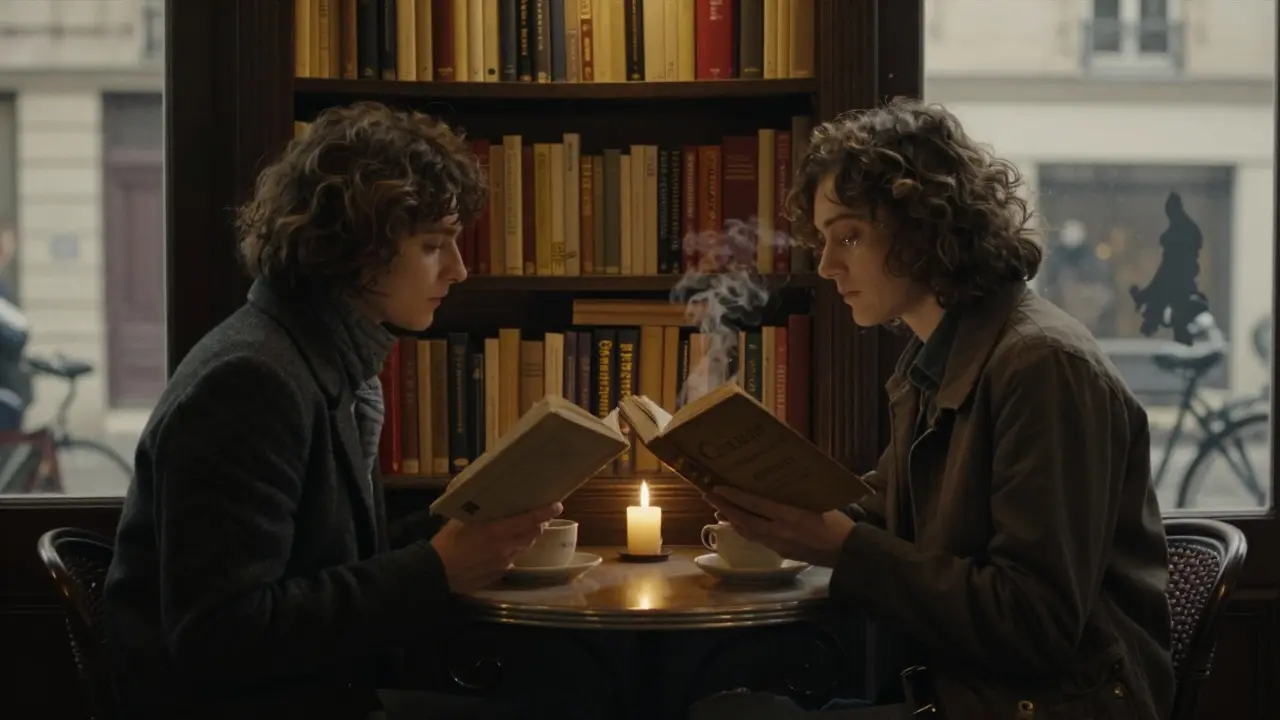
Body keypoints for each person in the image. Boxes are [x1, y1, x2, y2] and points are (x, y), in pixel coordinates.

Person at [692, 99, 1174, 720]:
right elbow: (892, 509)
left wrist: (844, 547)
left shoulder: (1043, 366)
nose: (828, 266)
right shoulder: (935, 356)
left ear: (924, 227)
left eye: (850, 236)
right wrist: (779, 502)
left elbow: (1036, 622)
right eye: (823, 240)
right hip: (966, 693)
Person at [103, 101, 560, 719]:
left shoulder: (324, 356)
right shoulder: (252, 379)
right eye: (433, 245)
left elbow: (326, 559)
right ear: (355, 248)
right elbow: (218, 636)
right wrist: (435, 569)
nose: (459, 270)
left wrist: (468, 528)